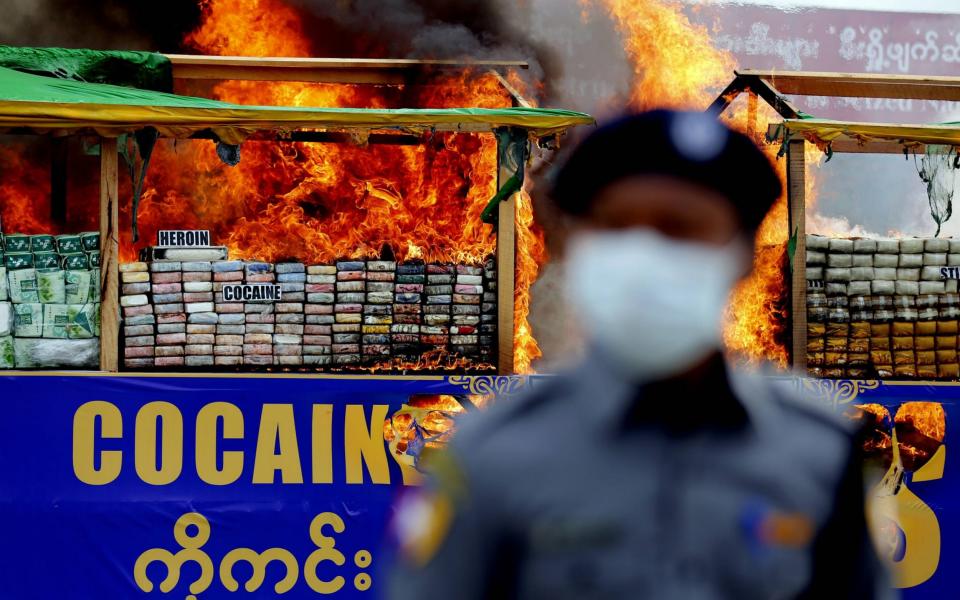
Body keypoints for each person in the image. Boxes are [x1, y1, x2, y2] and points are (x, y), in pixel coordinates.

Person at [387, 110, 892, 599]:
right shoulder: (493, 455)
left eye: (680, 228)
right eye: (618, 227)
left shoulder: (818, 456)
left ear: (741, 257)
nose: (645, 254)